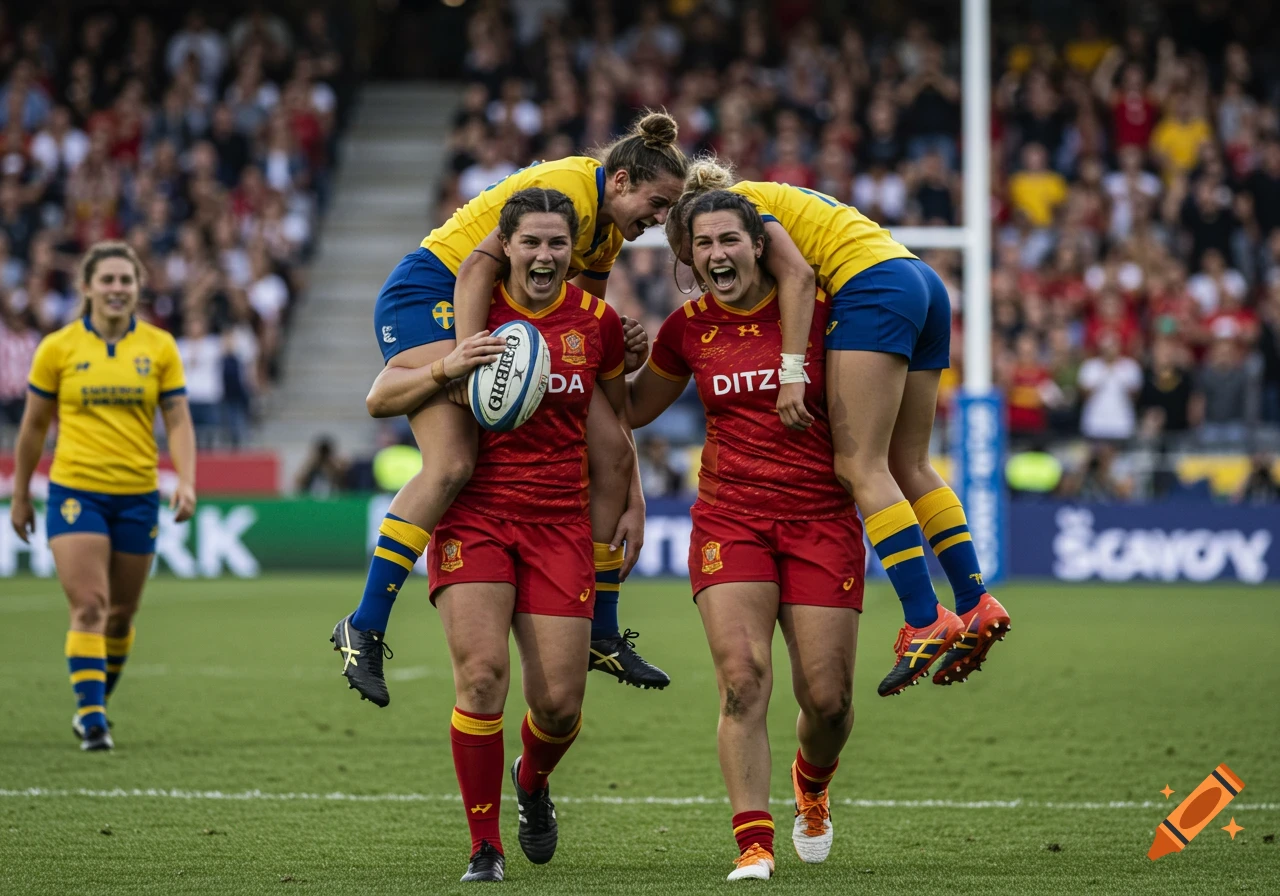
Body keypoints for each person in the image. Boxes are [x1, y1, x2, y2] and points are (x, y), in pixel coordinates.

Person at [334, 112, 686, 704]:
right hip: (432, 293)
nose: (659, 220)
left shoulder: (608, 231)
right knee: (451, 463)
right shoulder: (570, 192)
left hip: (495, 310)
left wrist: (609, 352)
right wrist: (474, 364)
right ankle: (364, 626)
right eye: (657, 203)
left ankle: (602, 630)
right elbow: (475, 268)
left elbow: (582, 318)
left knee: (607, 450)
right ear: (620, 181)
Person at [666, 159, 1011, 696]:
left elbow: (801, 277)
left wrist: (792, 373)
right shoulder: (772, 196)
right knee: (910, 463)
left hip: (871, 287)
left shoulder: (740, 208)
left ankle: (924, 619)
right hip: (919, 280)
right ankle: (974, 601)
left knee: (858, 464)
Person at [628, 192, 863, 881]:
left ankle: (812, 783)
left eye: (729, 239)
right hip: (731, 520)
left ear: (759, 245)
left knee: (828, 700)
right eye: (702, 245)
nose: (716, 255)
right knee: (742, 679)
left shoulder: (822, 319)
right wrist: (613, 358)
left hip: (822, 518)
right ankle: (753, 843)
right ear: (688, 255)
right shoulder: (687, 328)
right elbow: (638, 408)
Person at [426, 188, 629, 882]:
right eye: (531, 243)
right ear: (504, 247)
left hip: (559, 523)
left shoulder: (597, 324)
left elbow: (614, 433)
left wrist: (626, 500)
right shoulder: (470, 319)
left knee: (559, 707)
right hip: (476, 516)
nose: (545, 256)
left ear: (574, 253)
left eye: (558, 244)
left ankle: (532, 781)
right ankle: (485, 848)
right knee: (481, 676)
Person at [8, 241, 197, 751]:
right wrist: (22, 493)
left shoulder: (158, 347)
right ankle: (92, 720)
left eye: (126, 281)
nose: (117, 289)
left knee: (120, 615)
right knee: (90, 605)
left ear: (138, 288)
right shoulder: (58, 348)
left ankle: (95, 702)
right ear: (87, 287)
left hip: (138, 493)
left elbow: (177, 419)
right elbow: (32, 428)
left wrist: (186, 479)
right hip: (76, 491)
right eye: (107, 280)